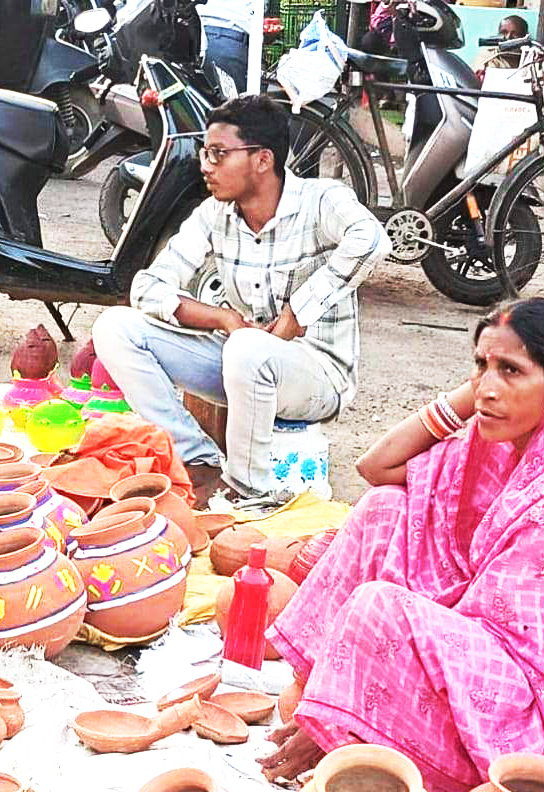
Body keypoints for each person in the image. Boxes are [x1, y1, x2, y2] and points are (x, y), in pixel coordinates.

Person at [259, 299, 544, 792]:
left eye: (512, 371)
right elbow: (376, 467)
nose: (489, 388)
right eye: (481, 366)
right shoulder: (506, 447)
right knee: (387, 512)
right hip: (500, 658)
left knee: (379, 609)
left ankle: (351, 730)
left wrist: (383, 631)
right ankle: (326, 706)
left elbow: (489, 630)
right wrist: (478, 389)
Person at [92, 95, 389, 504]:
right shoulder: (214, 214)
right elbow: (147, 287)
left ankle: (250, 487)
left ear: (262, 160)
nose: (205, 165)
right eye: (205, 152)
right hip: (241, 360)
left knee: (249, 348)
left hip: (318, 377)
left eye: (218, 154)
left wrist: (298, 312)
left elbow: (372, 240)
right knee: (115, 327)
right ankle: (198, 461)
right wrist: (222, 318)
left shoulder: (321, 200)